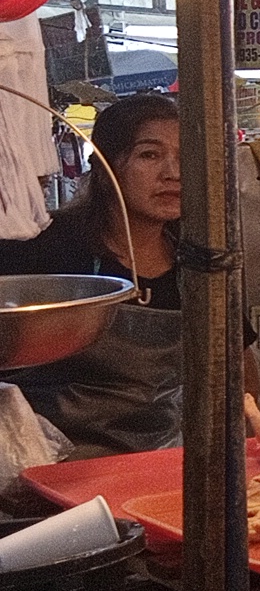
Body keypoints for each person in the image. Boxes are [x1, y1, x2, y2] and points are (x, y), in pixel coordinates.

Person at [0, 96, 186, 457]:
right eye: (149, 155)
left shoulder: (200, 262)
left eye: (185, 157)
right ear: (105, 168)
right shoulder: (43, 244)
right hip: (40, 460)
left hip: (158, 461)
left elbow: (237, 375)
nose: (173, 173)